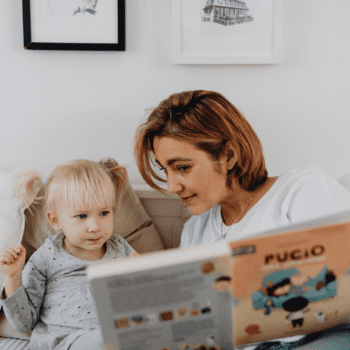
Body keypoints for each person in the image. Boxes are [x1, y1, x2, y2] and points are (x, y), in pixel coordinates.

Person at [134, 90, 350, 349]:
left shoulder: (301, 189)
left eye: (182, 168)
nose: (171, 186)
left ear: (228, 156)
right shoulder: (195, 231)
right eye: (164, 169)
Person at [0, 159, 138, 350]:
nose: (95, 226)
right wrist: (13, 276)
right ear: (55, 220)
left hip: (114, 336)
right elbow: (24, 322)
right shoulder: (47, 257)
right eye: (82, 216)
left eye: (104, 213)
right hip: (63, 342)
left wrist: (142, 274)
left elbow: (144, 297)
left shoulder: (120, 249)